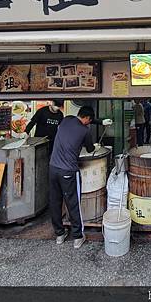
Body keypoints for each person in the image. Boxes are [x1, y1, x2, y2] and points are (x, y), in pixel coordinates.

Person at [49, 106, 112, 249]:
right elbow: (90, 149)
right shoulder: (85, 131)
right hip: (69, 171)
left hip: (53, 168)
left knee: (55, 201)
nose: (90, 123)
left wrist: (100, 122)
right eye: (90, 120)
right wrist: (95, 146)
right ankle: (78, 237)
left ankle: (59, 234)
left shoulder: (66, 120)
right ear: (87, 119)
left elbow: (81, 121)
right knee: (73, 201)